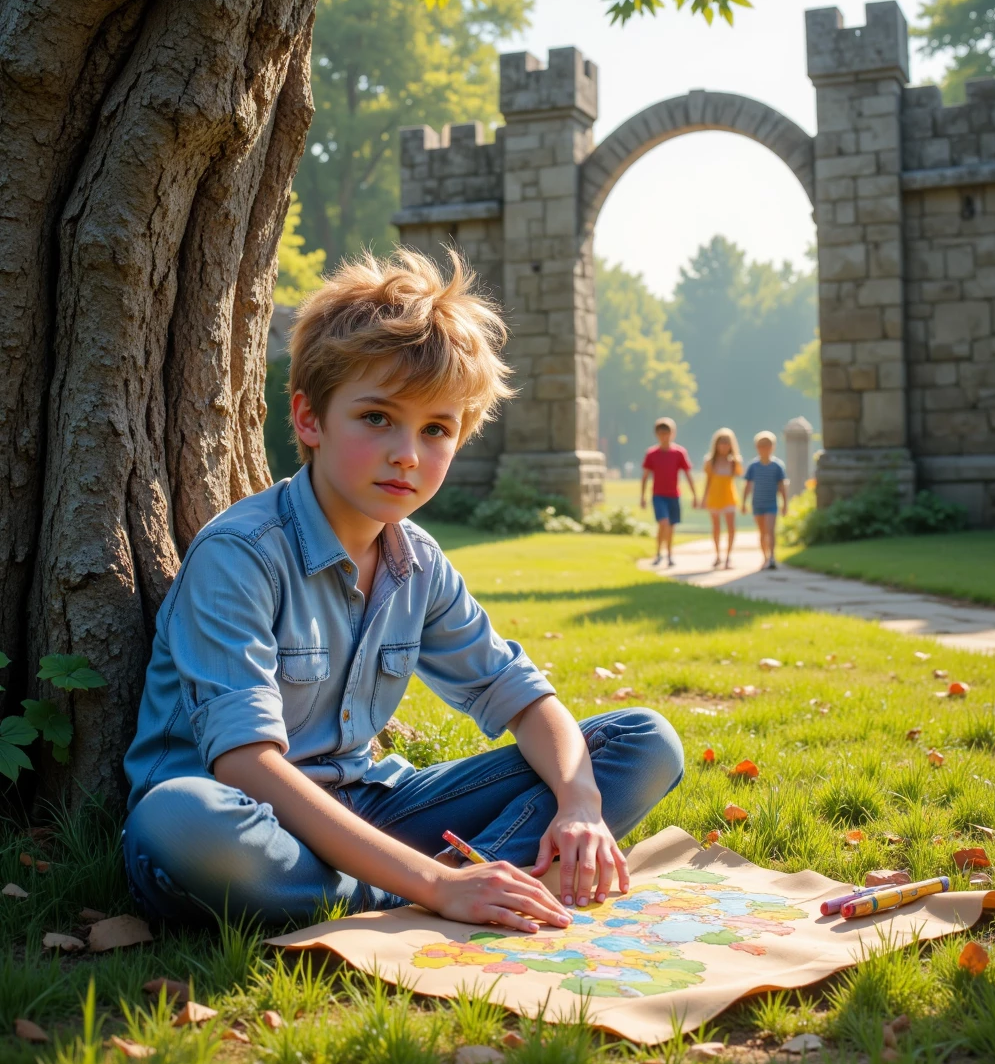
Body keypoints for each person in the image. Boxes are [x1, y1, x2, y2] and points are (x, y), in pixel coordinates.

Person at [123, 248, 684, 929]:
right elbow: (246, 765)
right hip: (247, 826)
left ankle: (446, 885)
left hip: (375, 809)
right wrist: (433, 885)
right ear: (309, 419)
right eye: (377, 418)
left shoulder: (417, 562)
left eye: (436, 429)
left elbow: (524, 698)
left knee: (641, 741)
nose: (407, 455)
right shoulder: (240, 555)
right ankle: (431, 892)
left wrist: (580, 806)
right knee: (178, 817)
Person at [640, 417, 698, 568]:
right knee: (663, 523)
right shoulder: (651, 454)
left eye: (667, 433)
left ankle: (670, 554)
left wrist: (694, 495)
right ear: (657, 434)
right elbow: (645, 477)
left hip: (674, 495)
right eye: (661, 433)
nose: (664, 436)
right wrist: (642, 497)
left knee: (671, 526)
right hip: (658, 495)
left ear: (673, 433)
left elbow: (687, 475)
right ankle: (659, 552)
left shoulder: (679, 453)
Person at [741, 431, 788, 570]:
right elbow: (748, 486)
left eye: (767, 445)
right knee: (762, 532)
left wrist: (785, 504)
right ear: (757, 447)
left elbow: (782, 486)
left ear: (772, 447)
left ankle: (772, 556)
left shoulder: (777, 466)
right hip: (758, 504)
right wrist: (744, 503)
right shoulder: (753, 466)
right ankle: (765, 557)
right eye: (761, 446)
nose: (764, 448)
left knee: (770, 530)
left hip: (771, 504)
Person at [699, 427, 743, 569]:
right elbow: (708, 481)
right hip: (714, 496)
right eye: (721, 443)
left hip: (729, 496)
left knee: (731, 527)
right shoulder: (710, 461)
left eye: (727, 443)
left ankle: (728, 557)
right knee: (716, 527)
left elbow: (739, 476)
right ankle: (718, 555)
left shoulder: (734, 461)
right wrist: (704, 499)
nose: (724, 446)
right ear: (716, 444)